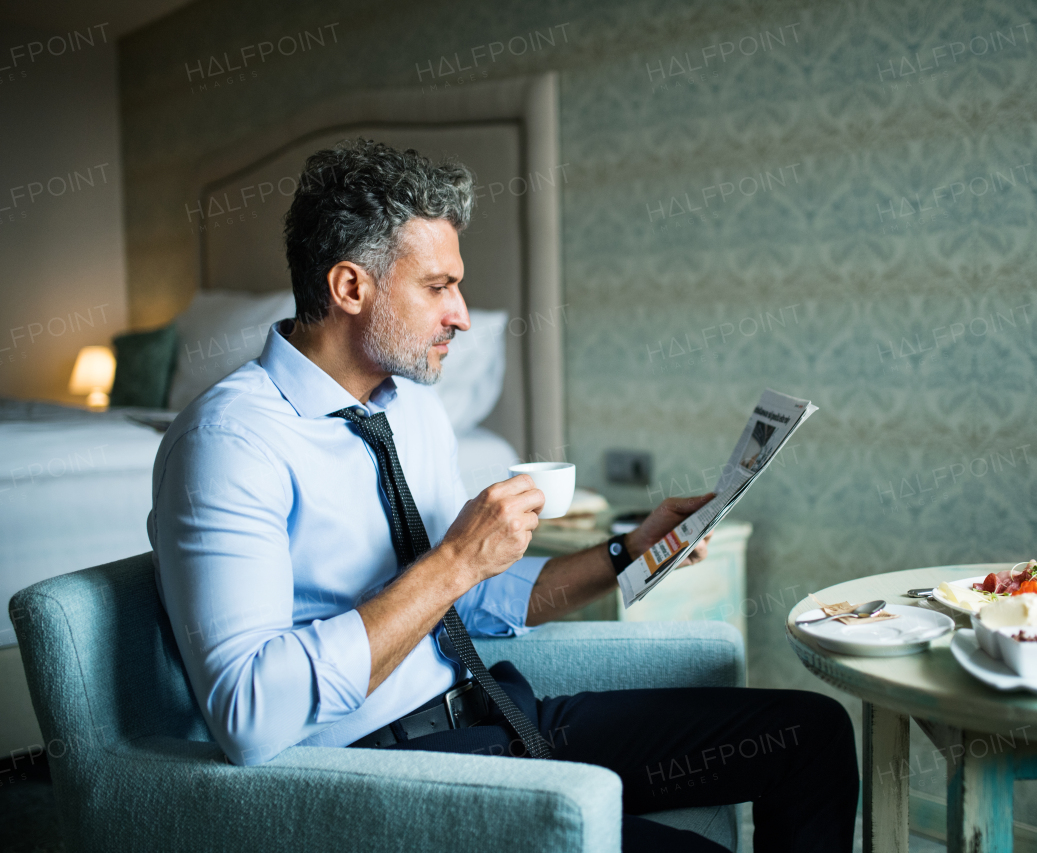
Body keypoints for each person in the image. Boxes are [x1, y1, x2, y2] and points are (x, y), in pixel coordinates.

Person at [148, 138, 856, 852]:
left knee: (812, 733)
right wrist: (454, 559)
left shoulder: (413, 407)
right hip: (382, 770)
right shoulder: (230, 442)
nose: (460, 313)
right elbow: (248, 714)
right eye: (437, 286)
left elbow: (469, 600)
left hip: (496, 716)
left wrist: (625, 552)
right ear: (350, 288)